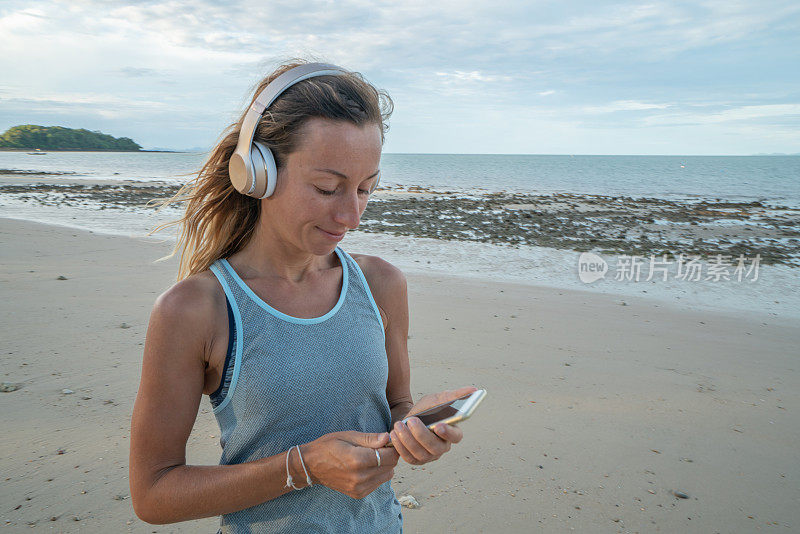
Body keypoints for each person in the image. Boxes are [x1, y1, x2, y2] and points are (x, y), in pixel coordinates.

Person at [129, 60, 476, 533]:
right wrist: (304, 466)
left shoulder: (381, 284)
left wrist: (413, 429)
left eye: (365, 189)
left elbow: (393, 407)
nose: (351, 215)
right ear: (257, 173)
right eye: (327, 188)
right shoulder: (196, 310)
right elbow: (153, 494)